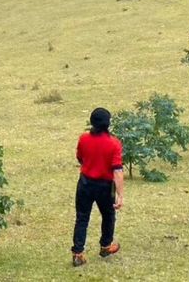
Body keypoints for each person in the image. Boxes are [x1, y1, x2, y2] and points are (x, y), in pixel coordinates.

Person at [71, 107, 124, 267]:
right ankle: (105, 246)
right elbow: (117, 170)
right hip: (105, 186)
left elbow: (80, 158)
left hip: (85, 183)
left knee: (82, 218)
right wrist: (120, 194)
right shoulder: (114, 143)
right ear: (108, 124)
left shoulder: (83, 139)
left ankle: (78, 253)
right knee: (108, 216)